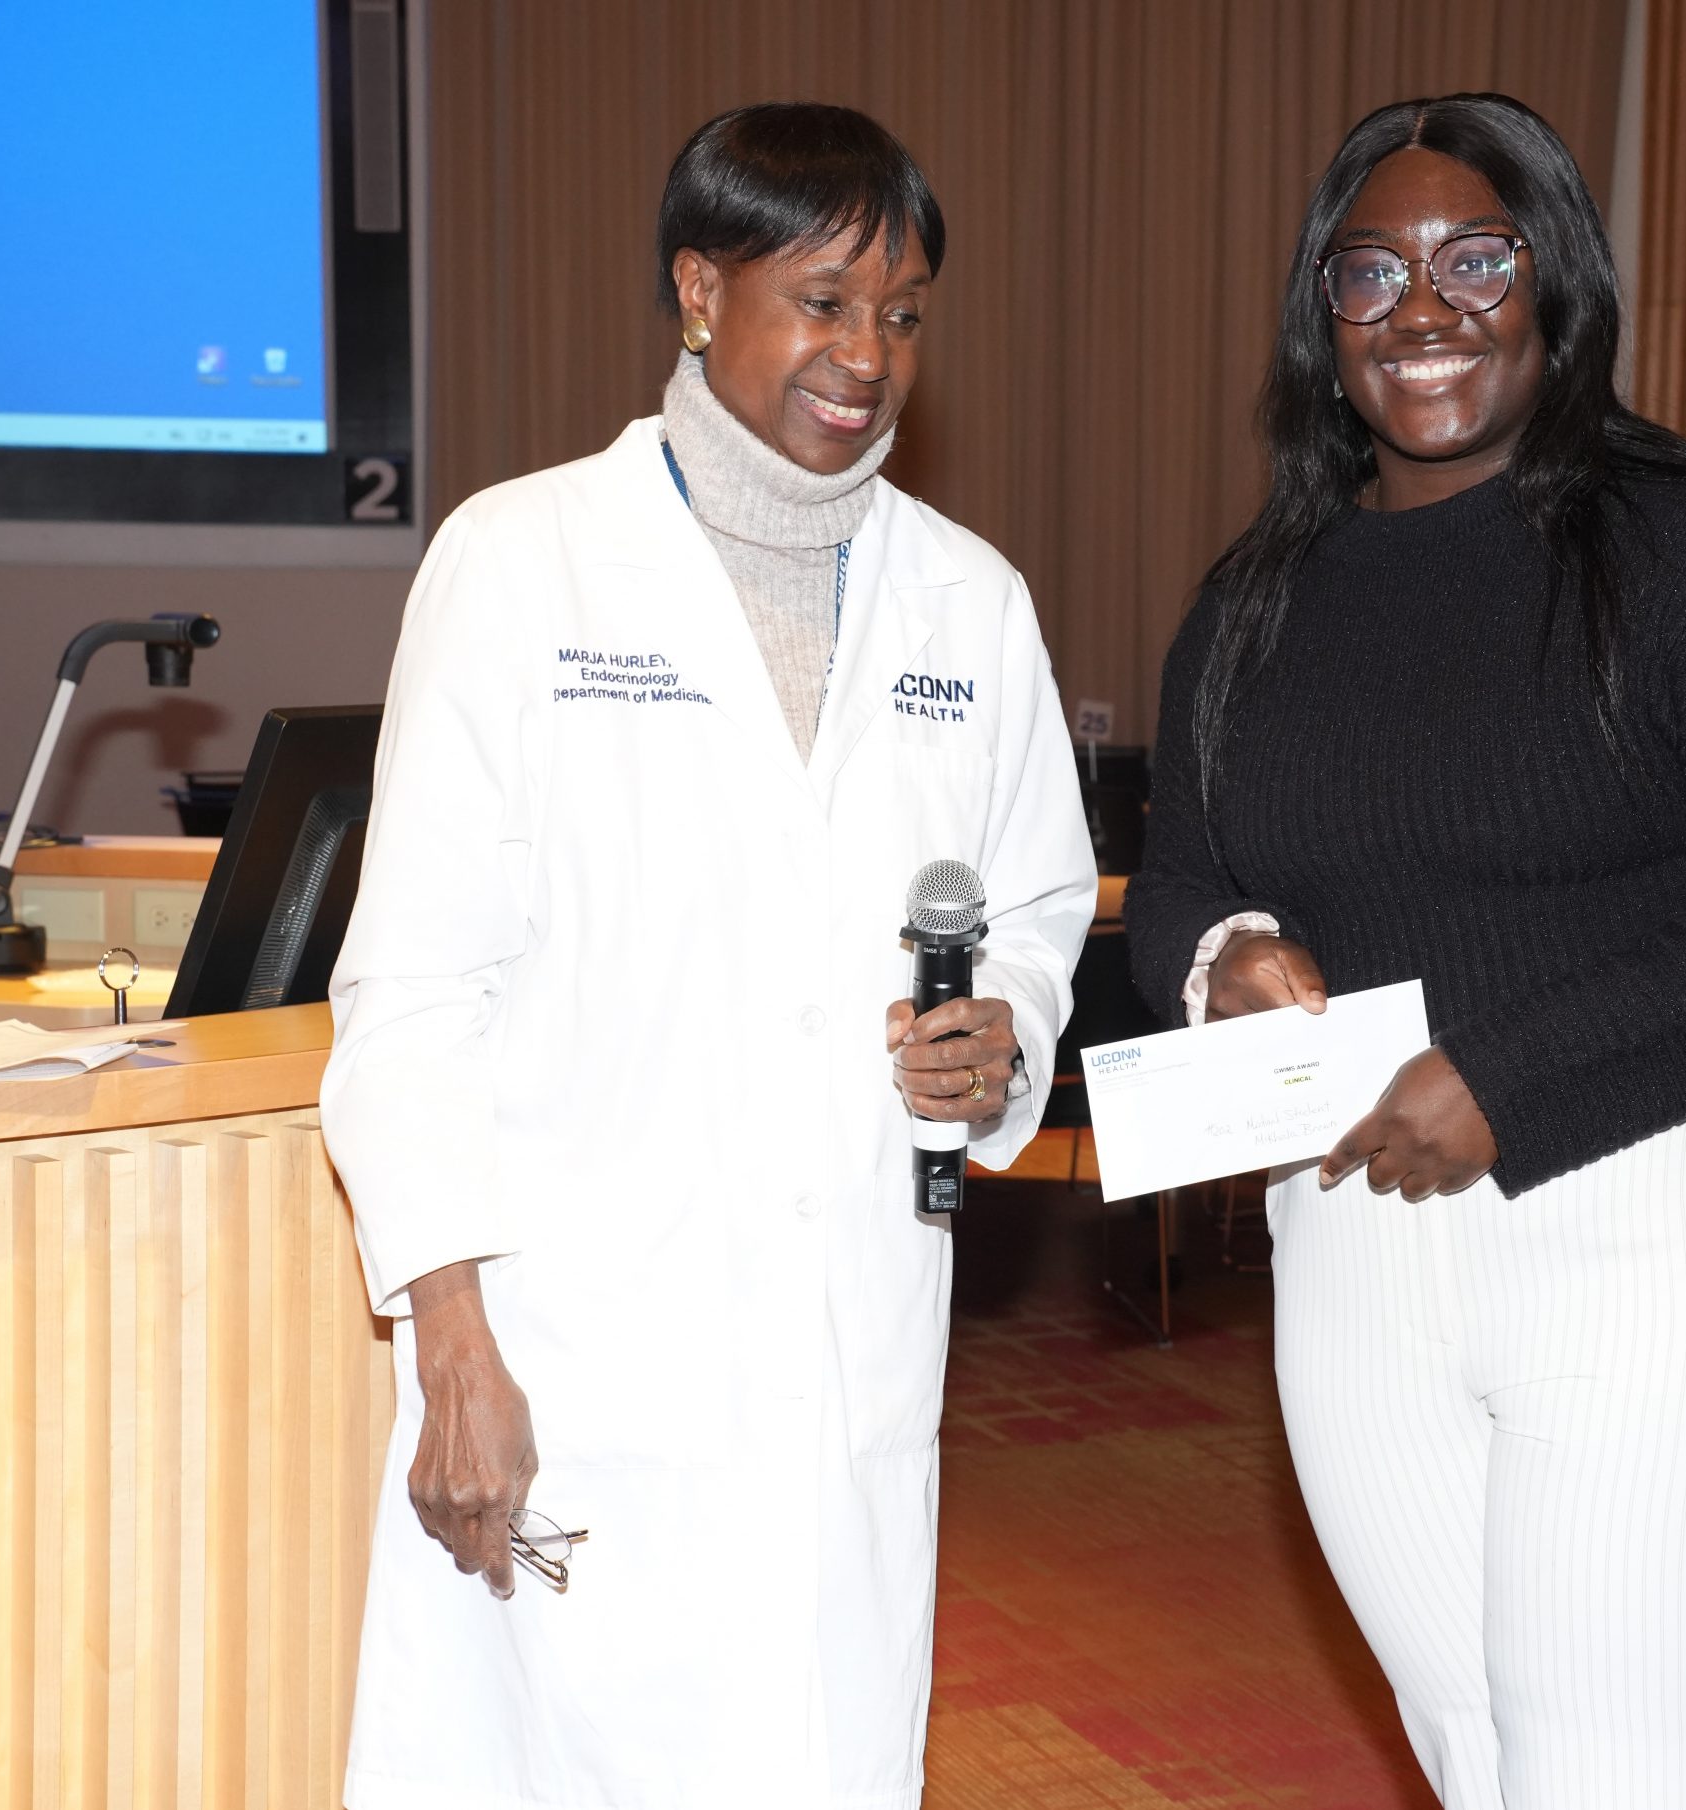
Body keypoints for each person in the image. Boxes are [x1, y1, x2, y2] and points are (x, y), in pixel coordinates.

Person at [1125, 94, 1686, 1808]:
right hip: (1355, 1254)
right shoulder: (1260, 596)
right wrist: (1227, 958)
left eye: (1476, 257)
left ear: (1555, 278)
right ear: (1319, 316)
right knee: (1477, 1762)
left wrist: (1515, 1078)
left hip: (1659, 1225)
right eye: (1372, 270)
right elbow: (1178, 882)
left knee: (1617, 1774)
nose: (1424, 308)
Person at [322, 103, 1094, 1810]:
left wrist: (1002, 1048)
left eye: (901, 313)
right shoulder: (522, 564)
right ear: (696, 289)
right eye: (822, 299)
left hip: (848, 1364)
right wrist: (449, 1334)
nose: (866, 355)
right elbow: (411, 990)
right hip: (575, 1357)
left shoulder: (971, 603)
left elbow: (1038, 918)